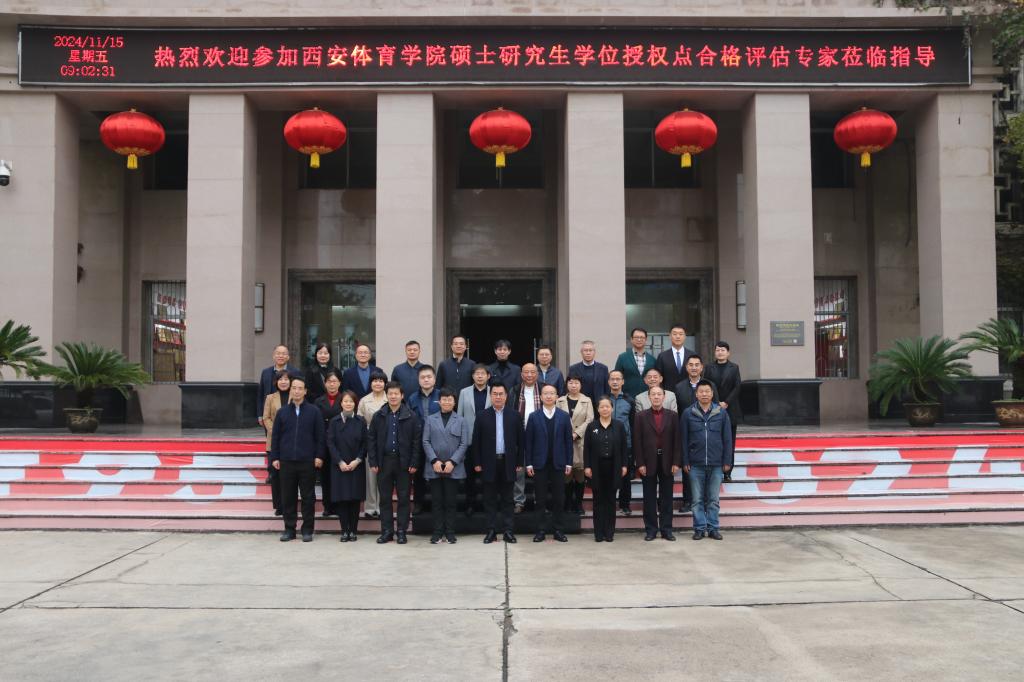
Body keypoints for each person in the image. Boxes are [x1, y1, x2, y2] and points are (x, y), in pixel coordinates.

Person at [269, 376, 325, 543]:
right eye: (294, 388)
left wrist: (319, 456)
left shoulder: (314, 411)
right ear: (290, 390)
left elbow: (320, 436)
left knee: (308, 497)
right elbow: (275, 437)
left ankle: (307, 529)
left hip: (307, 461)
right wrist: (275, 457)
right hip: (286, 461)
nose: (297, 391)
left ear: (305, 391)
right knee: (288, 497)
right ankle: (289, 529)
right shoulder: (282, 412)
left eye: (300, 388)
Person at [367, 381, 422, 544]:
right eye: (390, 393)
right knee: (384, 499)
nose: (393, 396)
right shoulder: (379, 415)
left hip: (403, 462)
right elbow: (371, 439)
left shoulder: (411, 416)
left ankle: (402, 531)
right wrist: (373, 461)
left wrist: (414, 462)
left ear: (402, 395)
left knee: (404, 498)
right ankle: (387, 531)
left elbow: (416, 441)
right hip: (384, 462)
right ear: (387, 395)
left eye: (396, 393)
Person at [471, 381, 524, 544]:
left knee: (508, 499)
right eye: (495, 394)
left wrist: (519, 461)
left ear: (506, 396)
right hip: (489, 463)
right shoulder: (482, 415)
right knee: (490, 499)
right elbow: (476, 441)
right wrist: (477, 462)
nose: (498, 397)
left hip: (508, 462)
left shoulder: (514, 415)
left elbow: (521, 441)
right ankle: (491, 531)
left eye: (501, 394)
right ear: (490, 396)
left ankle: (508, 531)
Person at [681, 380, 734, 541]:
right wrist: (685, 461)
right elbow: (683, 439)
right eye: (701, 391)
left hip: (716, 463)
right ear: (696, 394)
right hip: (695, 464)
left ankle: (713, 528)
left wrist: (727, 461)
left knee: (713, 500)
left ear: (712, 394)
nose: (704, 394)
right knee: (697, 500)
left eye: (707, 391)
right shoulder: (688, 413)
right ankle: (699, 529)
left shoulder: (721, 413)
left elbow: (727, 439)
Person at [525, 384, 574, 543]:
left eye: (552, 393)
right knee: (540, 499)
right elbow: (529, 442)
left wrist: (569, 462)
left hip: (559, 463)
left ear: (557, 396)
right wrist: (529, 463)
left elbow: (568, 441)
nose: (548, 396)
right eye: (545, 393)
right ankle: (540, 531)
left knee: (559, 499)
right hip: (539, 464)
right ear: (540, 397)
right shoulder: (534, 416)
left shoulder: (564, 416)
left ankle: (558, 530)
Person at [422, 387, 471, 544]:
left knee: (450, 502)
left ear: (454, 402)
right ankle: (437, 532)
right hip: (434, 466)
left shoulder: (461, 420)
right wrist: (434, 460)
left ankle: (450, 532)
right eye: (444, 399)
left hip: (453, 467)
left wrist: (452, 461)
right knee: (437, 502)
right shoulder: (431, 419)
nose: (447, 402)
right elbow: (425, 441)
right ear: (439, 401)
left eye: (450, 399)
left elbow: (464, 443)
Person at [633, 386, 681, 542]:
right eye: (653, 394)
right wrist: (640, 463)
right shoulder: (640, 416)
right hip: (648, 462)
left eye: (659, 394)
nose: (656, 397)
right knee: (649, 498)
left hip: (668, 461)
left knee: (667, 498)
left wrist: (676, 462)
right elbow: (637, 441)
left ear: (664, 397)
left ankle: (667, 530)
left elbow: (677, 440)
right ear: (649, 397)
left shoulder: (673, 416)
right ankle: (651, 530)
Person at [584, 396, 628, 542]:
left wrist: (624, 465)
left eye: (607, 406)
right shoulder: (592, 426)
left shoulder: (619, 426)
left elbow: (624, 447)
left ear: (612, 408)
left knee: (610, 501)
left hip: (614, 467)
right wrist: (587, 466)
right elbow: (587, 448)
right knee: (598, 501)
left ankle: (609, 533)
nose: (605, 409)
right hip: (596, 468)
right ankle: (598, 533)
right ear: (597, 409)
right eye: (602, 407)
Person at [326, 390, 367, 542]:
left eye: (351, 401)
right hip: (339, 466)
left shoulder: (361, 421)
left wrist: (357, 460)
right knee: (342, 499)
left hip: (356, 465)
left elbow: (365, 443)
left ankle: (353, 531)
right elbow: (330, 443)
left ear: (355, 404)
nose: (348, 404)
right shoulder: (334, 421)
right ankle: (344, 531)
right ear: (341, 403)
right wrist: (340, 461)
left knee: (355, 499)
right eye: (345, 401)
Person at [703, 341, 742, 482]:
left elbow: (737, 387)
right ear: (714, 352)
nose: (720, 352)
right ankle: (714, 470)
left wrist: (726, 402)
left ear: (728, 353)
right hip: (712, 408)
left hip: (730, 409)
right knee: (713, 441)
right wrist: (716, 402)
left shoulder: (734, 367)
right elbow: (707, 386)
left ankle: (727, 471)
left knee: (729, 441)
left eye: (723, 350)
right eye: (717, 350)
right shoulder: (709, 368)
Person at [556, 374, 594, 516]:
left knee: (579, 476)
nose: (573, 385)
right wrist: (567, 434)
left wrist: (577, 433)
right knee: (566, 475)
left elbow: (590, 419)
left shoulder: (587, 400)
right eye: (571, 382)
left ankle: (578, 504)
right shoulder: (559, 400)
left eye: (576, 382)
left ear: (581, 385)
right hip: (563, 442)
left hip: (580, 441)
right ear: (567, 384)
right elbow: (556, 418)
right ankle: (567, 503)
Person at [457, 363, 492, 516]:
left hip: (489, 441)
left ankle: (486, 504)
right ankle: (470, 504)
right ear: (472, 376)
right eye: (477, 373)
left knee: (487, 477)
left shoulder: (494, 392)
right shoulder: (464, 392)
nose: (479, 376)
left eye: (483, 373)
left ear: (488, 376)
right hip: (469, 440)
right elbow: (459, 416)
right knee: (470, 476)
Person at [408, 364, 441, 515]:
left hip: (438, 441)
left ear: (434, 379)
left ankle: (437, 504)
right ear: (418, 380)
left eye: (429, 377)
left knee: (437, 475)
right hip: (419, 441)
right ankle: (418, 503)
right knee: (419, 474)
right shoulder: (412, 398)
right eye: (423, 377)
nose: (426, 380)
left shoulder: (441, 396)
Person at [356, 370, 389, 520]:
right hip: (370, 439)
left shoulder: (390, 398)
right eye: (375, 380)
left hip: (387, 440)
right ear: (370, 383)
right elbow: (359, 422)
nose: (378, 383)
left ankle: (382, 506)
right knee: (370, 475)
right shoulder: (364, 401)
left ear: (385, 383)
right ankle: (370, 507)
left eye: (381, 381)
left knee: (384, 475)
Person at [511, 363, 542, 514]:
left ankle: (539, 500)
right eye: (526, 372)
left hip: (539, 434)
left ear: (537, 374)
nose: (529, 375)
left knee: (539, 469)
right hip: (519, 433)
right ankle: (519, 501)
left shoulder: (544, 389)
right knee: (519, 469)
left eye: (532, 372)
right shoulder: (515, 390)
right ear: (521, 374)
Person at [261, 369, 291, 516]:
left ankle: (289, 504)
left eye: (286, 379)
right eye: (281, 379)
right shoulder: (270, 398)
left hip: (292, 440)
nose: (283, 382)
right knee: (276, 475)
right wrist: (276, 431)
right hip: (274, 441)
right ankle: (279, 505)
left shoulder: (296, 396)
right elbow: (266, 418)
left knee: (289, 476)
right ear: (276, 382)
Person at [605, 370, 636, 517]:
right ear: (608, 382)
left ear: (623, 381)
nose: (615, 382)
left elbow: (633, 424)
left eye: (618, 379)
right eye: (612, 379)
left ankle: (625, 505)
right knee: (607, 475)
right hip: (606, 443)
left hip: (625, 444)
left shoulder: (630, 401)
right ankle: (609, 504)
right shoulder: (603, 400)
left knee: (625, 477)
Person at [313, 370, 344, 516]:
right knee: (325, 477)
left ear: (340, 383)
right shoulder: (318, 401)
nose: (332, 384)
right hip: (324, 443)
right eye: (329, 381)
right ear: (325, 384)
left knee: (338, 476)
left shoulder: (345, 399)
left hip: (340, 443)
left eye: (335, 381)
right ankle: (327, 506)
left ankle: (338, 505)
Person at [257, 344, 298, 427]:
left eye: (284, 354)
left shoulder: (295, 372)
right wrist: (260, 415)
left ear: (288, 357)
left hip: (289, 412)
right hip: (269, 414)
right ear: (273, 356)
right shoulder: (266, 372)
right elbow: (261, 394)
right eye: (278, 353)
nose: (281, 356)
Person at [613, 327, 657, 399]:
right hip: (627, 398)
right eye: (636, 337)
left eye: (642, 337)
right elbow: (616, 378)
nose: (639, 339)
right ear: (631, 339)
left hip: (648, 398)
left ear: (646, 340)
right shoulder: (622, 358)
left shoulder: (652, 359)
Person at [654, 323, 695, 393]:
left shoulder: (692, 355)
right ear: (670, 336)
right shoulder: (662, 356)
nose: (678, 336)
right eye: (675, 334)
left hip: (689, 394)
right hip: (668, 394)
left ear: (685, 336)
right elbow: (658, 378)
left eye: (681, 334)